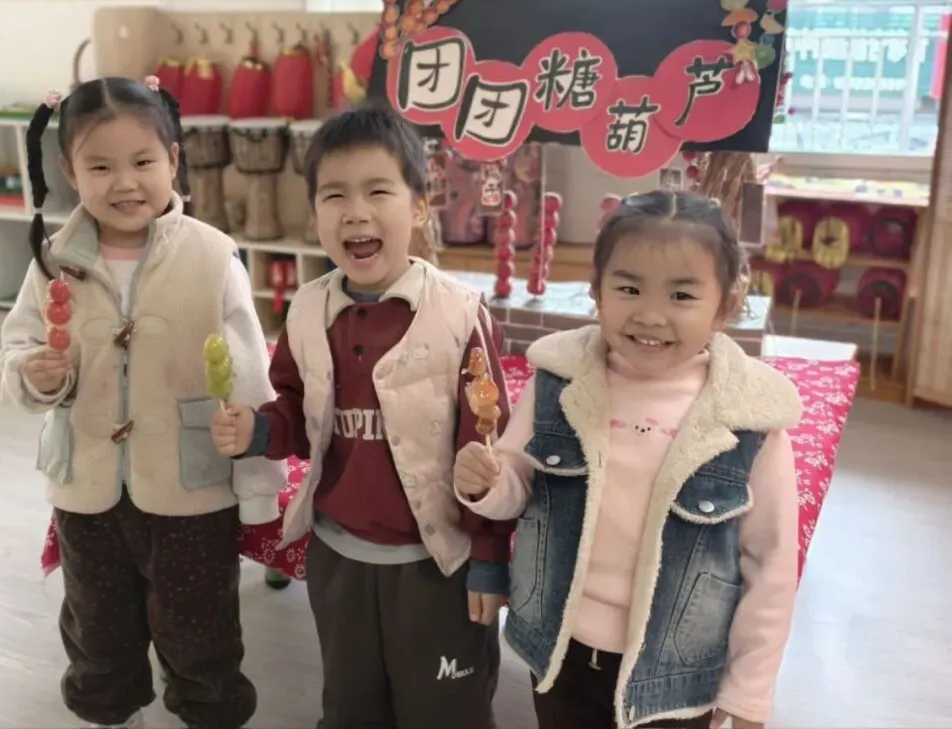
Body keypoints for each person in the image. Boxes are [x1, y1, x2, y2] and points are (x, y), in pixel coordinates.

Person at [211, 103, 513, 729]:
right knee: (351, 706)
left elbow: (490, 457)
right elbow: (296, 412)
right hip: (339, 559)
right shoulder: (307, 310)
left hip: (437, 566)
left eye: (378, 191)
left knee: (445, 713)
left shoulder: (460, 316)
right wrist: (260, 430)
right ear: (314, 213)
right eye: (334, 195)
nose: (355, 211)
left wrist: (488, 559)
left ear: (420, 207)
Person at [0, 76, 286, 729]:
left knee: (201, 630)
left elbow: (249, 378)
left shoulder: (213, 257)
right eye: (100, 167)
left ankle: (209, 714)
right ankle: (112, 712)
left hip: (192, 492)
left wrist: (259, 486)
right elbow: (18, 346)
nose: (125, 183)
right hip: (87, 491)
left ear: (173, 161)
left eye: (143, 162)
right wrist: (34, 373)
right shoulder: (51, 260)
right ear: (69, 171)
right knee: (97, 626)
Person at [455, 190, 802, 729]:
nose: (650, 314)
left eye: (682, 295)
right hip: (561, 654)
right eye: (629, 288)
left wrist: (749, 694)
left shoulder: (749, 422)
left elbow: (771, 569)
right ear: (596, 290)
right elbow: (516, 484)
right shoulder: (559, 384)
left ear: (725, 304)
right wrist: (487, 483)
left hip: (673, 680)